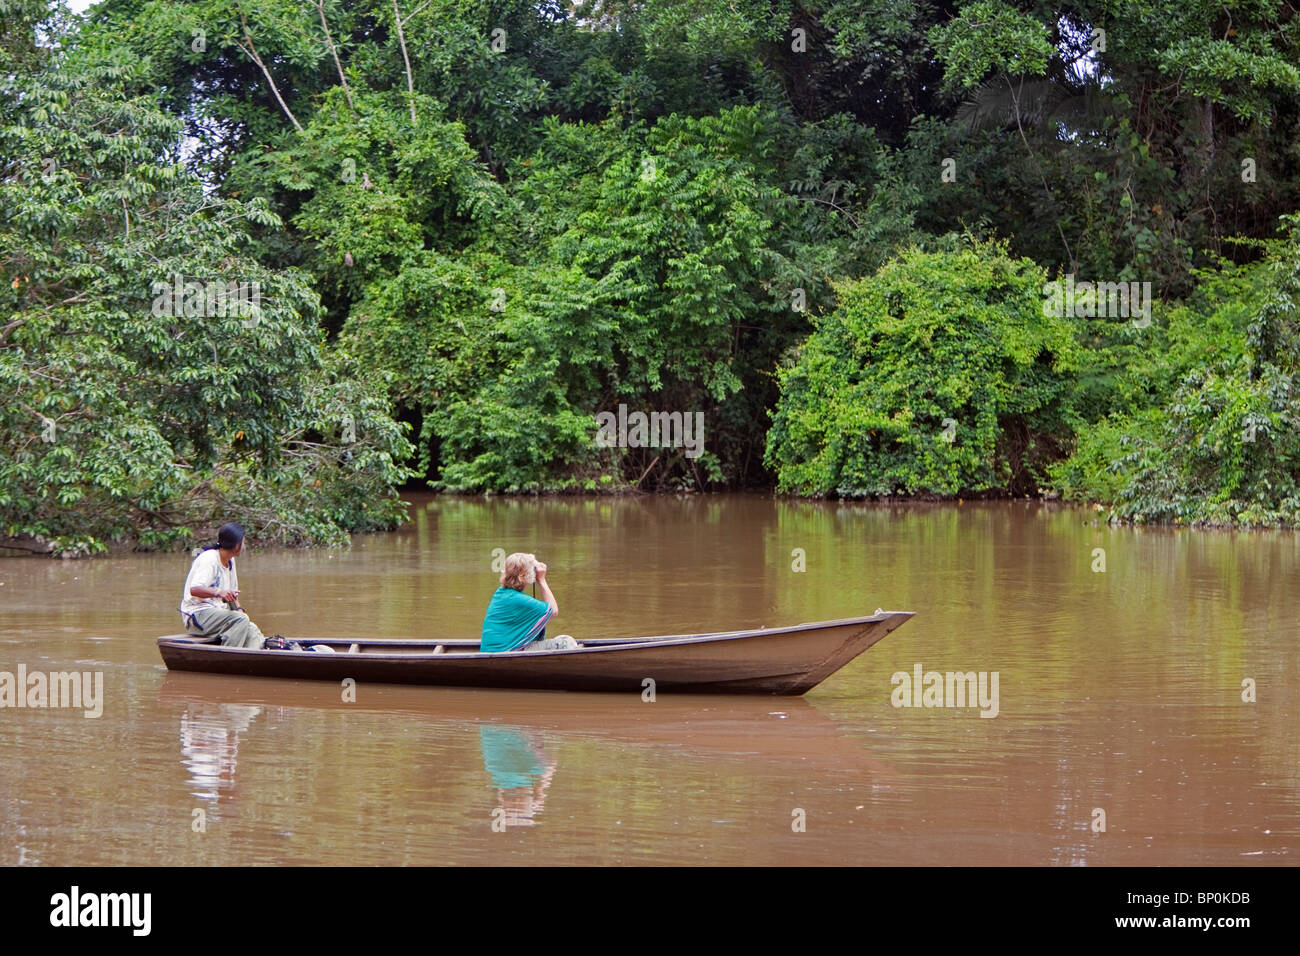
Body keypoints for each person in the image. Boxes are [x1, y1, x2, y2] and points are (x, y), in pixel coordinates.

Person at [179, 522, 267, 650]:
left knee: (251, 628)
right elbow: (195, 589)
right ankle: (229, 659)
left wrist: (239, 608)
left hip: (217, 614)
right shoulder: (209, 559)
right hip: (197, 616)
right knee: (240, 619)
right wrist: (219, 592)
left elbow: (232, 594)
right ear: (236, 545)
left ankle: (253, 660)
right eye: (242, 543)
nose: (243, 546)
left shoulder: (230, 561)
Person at [480, 552, 579, 652]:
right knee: (566, 642)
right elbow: (553, 611)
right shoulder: (519, 600)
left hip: (492, 650)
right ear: (524, 576)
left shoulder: (500, 593)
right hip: (507, 652)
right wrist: (541, 580)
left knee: (558, 639)